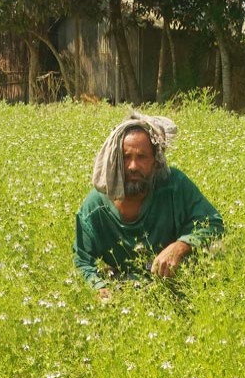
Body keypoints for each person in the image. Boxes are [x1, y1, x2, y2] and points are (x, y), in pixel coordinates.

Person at [74, 112, 224, 299]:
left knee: (218, 250)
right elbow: (82, 261)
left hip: (173, 281)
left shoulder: (174, 185)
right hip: (123, 289)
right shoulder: (95, 207)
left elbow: (213, 224)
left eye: (142, 157)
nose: (133, 166)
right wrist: (98, 287)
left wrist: (180, 246)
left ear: (156, 161)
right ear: (115, 159)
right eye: (126, 157)